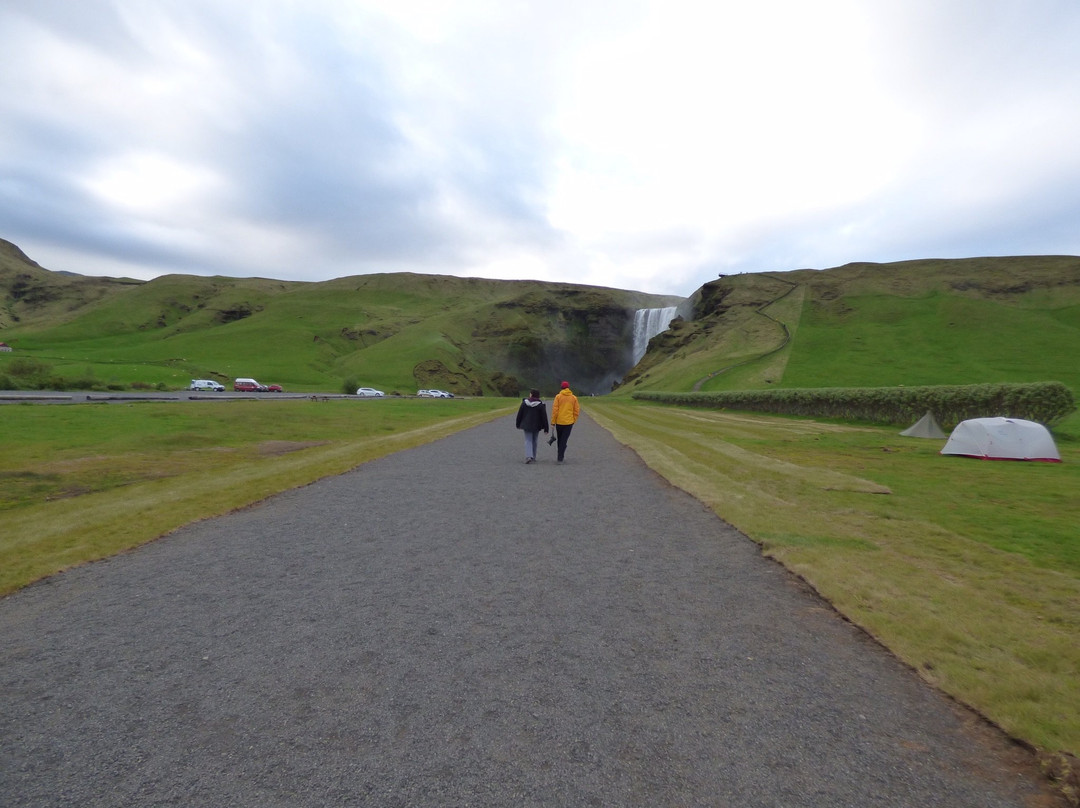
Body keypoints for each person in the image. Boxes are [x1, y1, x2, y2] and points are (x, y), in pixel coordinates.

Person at [515, 388, 549, 464]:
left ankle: (528, 456)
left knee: (528, 440)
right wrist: (546, 428)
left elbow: (520, 414)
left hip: (526, 424)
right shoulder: (540, 405)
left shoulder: (524, 403)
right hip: (537, 425)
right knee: (535, 440)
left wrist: (518, 424)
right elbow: (544, 417)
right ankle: (533, 456)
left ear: (532, 394)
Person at [550, 380, 580, 463]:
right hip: (569, 422)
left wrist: (553, 422)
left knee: (560, 439)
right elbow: (576, 410)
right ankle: (560, 456)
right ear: (568, 387)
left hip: (559, 421)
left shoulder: (558, 397)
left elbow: (555, 410)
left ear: (561, 387)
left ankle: (560, 455)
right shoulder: (573, 398)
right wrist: (574, 419)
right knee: (564, 440)